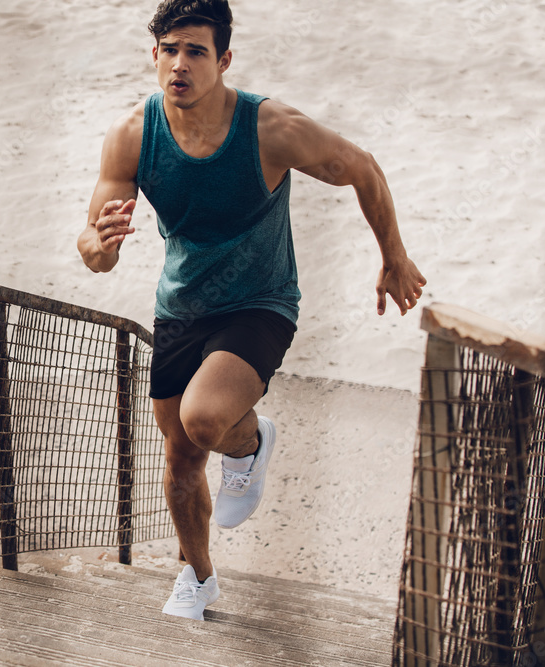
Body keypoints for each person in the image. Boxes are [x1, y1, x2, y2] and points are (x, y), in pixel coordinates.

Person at [77, 0, 426, 621]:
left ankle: (246, 442)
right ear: (153, 53)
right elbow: (93, 250)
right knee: (180, 455)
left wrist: (393, 258)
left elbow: (362, 168)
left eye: (196, 52)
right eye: (169, 50)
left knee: (203, 421)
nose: (179, 64)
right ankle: (198, 576)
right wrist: (96, 247)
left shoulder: (270, 128)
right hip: (181, 305)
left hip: (261, 302)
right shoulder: (133, 133)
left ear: (224, 59)